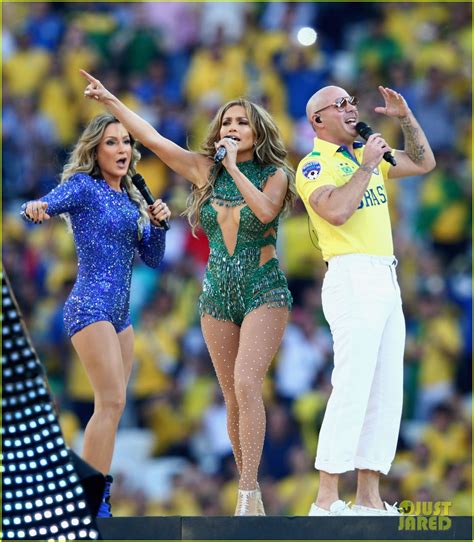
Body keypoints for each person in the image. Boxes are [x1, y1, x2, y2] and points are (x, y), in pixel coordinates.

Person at [81, 69, 295, 516]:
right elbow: (154, 139)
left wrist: (234, 167)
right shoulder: (204, 171)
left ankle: (248, 493)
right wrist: (111, 102)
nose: (231, 128)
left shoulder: (277, 173)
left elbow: (265, 208)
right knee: (232, 397)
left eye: (241, 122)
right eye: (226, 122)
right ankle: (246, 487)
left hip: (263, 289)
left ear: (258, 131)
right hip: (216, 295)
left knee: (248, 381)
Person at [20, 113, 171, 517]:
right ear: (95, 150)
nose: (122, 149)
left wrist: (158, 226)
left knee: (114, 408)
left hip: (121, 316)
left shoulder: (131, 199)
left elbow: (153, 259)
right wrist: (37, 207)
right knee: (110, 400)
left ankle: (97, 498)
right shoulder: (85, 187)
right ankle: (86, 499)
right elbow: (48, 203)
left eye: (126, 142)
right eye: (112, 143)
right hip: (90, 305)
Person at [296, 85, 435, 516]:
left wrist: (406, 118)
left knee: (386, 387)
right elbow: (335, 212)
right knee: (353, 384)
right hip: (351, 273)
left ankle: (370, 497)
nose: (351, 107)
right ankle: (325, 497)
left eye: (351, 101)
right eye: (340, 104)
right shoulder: (314, 164)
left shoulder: (364, 153)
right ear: (318, 119)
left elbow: (424, 162)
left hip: (384, 273)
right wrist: (366, 166)